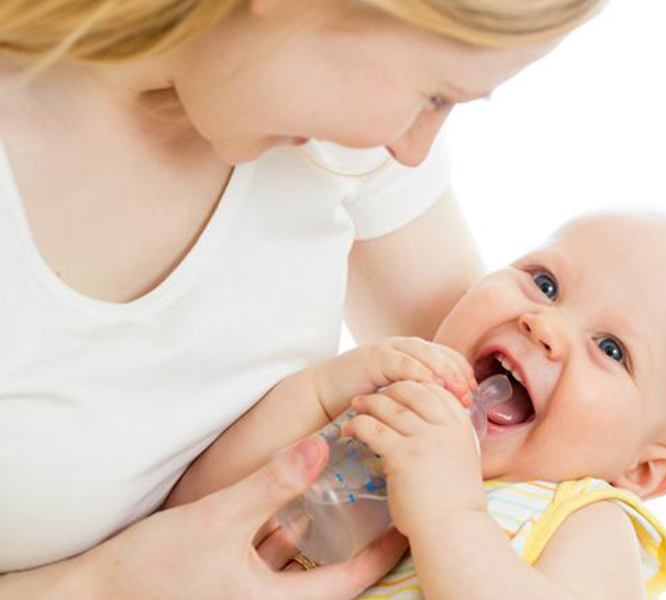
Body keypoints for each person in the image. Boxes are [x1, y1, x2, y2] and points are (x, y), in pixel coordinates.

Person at [0, 0, 609, 598]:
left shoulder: (342, 143)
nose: (415, 149)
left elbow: (550, 447)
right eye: (435, 95)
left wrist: (600, 531)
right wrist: (105, 586)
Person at [167, 211, 666, 599]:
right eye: (546, 283)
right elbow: (189, 521)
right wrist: (319, 393)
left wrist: (450, 515)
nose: (545, 325)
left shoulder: (584, 519)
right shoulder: (379, 423)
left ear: (640, 471)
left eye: (611, 349)